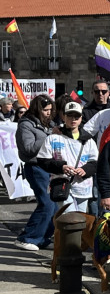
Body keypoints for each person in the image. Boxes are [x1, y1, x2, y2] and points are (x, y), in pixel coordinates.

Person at [36, 102, 98, 213]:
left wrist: (85, 170)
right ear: (64, 117)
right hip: (62, 185)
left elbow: (95, 161)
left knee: (81, 220)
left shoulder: (88, 140)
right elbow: (42, 160)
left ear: (81, 118)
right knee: (70, 218)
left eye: (76, 116)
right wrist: (62, 167)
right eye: (69, 116)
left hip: (83, 187)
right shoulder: (54, 138)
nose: (73, 119)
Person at [13, 95, 56, 251]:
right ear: (37, 109)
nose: (48, 113)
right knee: (47, 203)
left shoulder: (48, 124)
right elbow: (28, 148)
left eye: (50, 110)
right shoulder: (25, 125)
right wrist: (50, 138)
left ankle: (43, 237)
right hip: (36, 167)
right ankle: (27, 237)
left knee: (55, 205)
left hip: (50, 167)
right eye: (45, 110)